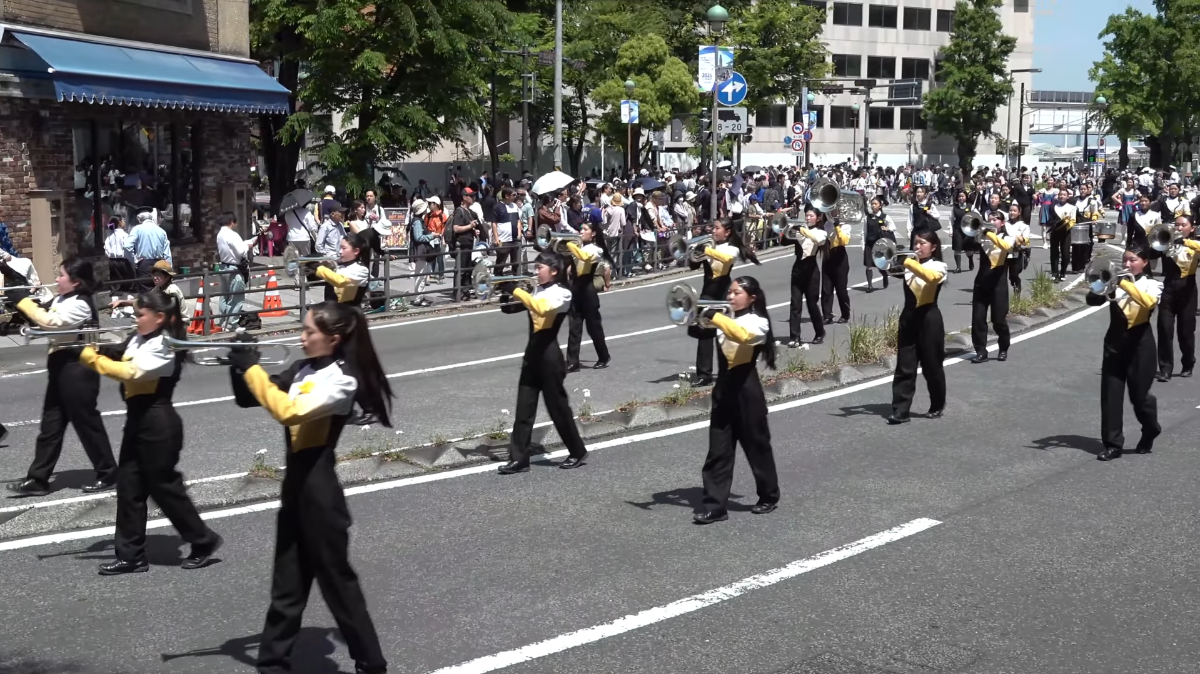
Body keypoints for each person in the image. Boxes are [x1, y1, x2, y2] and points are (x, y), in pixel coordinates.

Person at [227, 301, 391, 674]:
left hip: (320, 497)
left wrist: (251, 367)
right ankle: (273, 663)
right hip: (295, 492)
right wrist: (237, 364)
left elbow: (288, 412)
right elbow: (249, 396)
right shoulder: (303, 368)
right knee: (286, 587)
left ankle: (372, 663)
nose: (301, 338)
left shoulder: (342, 380)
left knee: (339, 587)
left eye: (309, 332)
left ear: (333, 339)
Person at [80, 289, 223, 575]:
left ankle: (203, 540)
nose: (135, 318)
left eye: (140, 314)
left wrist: (91, 358)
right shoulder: (140, 337)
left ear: (158, 317)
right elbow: (120, 352)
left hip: (158, 424)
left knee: (164, 488)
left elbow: (131, 371)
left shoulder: (164, 345)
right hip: (137, 420)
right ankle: (131, 555)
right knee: (129, 487)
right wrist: (92, 345)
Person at [7, 259, 118, 496]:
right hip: (61, 366)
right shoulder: (63, 299)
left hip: (79, 368)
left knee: (87, 424)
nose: (57, 279)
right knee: (51, 426)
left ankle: (108, 473)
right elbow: (43, 314)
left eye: (61, 275)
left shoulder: (81, 304)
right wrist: (22, 294)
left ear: (75, 282)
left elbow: (51, 322)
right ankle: (38, 479)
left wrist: (23, 301)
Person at [692, 276, 780, 524]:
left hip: (747, 392)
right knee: (718, 451)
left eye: (737, 293)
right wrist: (694, 316)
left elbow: (741, 335)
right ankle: (715, 506)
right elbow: (697, 333)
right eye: (729, 292)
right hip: (724, 391)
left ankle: (768, 495)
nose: (730, 297)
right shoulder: (724, 319)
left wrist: (714, 316)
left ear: (752, 298)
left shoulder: (758, 322)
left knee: (757, 447)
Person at [497, 252, 590, 474]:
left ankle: (577, 450)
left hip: (550, 359)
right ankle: (519, 459)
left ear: (554, 271)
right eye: (536, 267)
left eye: (540, 268)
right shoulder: (537, 290)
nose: (536, 271)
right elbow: (512, 308)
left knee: (558, 409)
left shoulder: (562, 294)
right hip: (532, 356)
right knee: (523, 410)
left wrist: (514, 289)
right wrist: (503, 293)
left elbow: (540, 308)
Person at [1086, 246, 1161, 461]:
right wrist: (1100, 284)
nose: (1127, 264)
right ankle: (1113, 445)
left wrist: (1124, 284)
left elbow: (1148, 303)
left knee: (1140, 397)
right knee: (1110, 396)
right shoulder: (1114, 283)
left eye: (1133, 260)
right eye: (1125, 260)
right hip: (1114, 345)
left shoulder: (1153, 284)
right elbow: (1092, 300)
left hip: (1141, 346)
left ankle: (1151, 428)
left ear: (1144, 262)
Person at [887, 230, 948, 424]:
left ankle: (937, 404)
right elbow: (888, 269)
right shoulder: (909, 264)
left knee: (932, 366)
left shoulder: (939, 266)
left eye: (922, 243)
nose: (917, 247)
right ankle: (900, 411)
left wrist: (907, 262)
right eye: (915, 243)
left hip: (929, 320)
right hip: (908, 318)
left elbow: (930, 277)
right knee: (904, 366)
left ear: (933, 247)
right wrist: (888, 259)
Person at [690, 218, 760, 385]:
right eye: (713, 228)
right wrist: (694, 254)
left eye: (717, 228)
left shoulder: (732, 248)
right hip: (707, 292)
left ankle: (730, 370)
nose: (713, 231)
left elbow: (726, 259)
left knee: (724, 334)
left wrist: (706, 250)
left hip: (723, 294)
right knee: (704, 333)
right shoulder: (710, 246)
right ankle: (704, 375)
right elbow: (693, 266)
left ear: (727, 232)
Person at [564, 222, 613, 372]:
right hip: (576, 290)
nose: (581, 232)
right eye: (581, 229)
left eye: (585, 229)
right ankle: (572, 362)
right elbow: (571, 269)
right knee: (574, 328)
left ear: (593, 234)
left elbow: (584, 257)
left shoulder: (596, 249)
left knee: (594, 328)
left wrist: (570, 246)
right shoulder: (579, 247)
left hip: (588, 292)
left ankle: (604, 356)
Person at [1156, 215, 1200, 381]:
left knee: (1186, 331)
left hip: (1188, 290)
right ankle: (1165, 369)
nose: (1179, 228)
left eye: (1183, 225)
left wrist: (1185, 242)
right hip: (1169, 288)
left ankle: (1188, 363)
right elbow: (1151, 252)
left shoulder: (1194, 245)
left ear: (1192, 228)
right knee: (1164, 329)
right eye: (1177, 225)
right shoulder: (1167, 242)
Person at [969, 212, 1014, 363]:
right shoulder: (982, 238)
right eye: (989, 219)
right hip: (981, 282)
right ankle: (981, 351)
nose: (992, 221)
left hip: (998, 283)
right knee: (978, 319)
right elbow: (967, 245)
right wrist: (974, 233)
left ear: (1002, 223)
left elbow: (1006, 247)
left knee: (998, 320)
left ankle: (1003, 347)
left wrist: (988, 233)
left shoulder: (1007, 237)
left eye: (995, 219)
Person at [785, 207, 828, 348]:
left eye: (811, 216)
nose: (808, 218)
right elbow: (785, 241)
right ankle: (794, 336)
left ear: (818, 218)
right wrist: (784, 229)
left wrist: (803, 231)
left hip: (811, 270)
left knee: (812, 304)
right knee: (795, 304)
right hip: (798, 268)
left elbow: (818, 240)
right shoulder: (799, 230)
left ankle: (820, 332)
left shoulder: (821, 232)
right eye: (806, 215)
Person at [215, 212, 260, 332]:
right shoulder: (232, 235)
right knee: (236, 297)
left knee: (225, 296)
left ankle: (222, 322)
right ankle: (232, 324)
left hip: (224, 267)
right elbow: (241, 251)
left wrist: (246, 243)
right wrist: (249, 245)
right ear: (232, 222)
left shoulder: (220, 234)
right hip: (235, 269)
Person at [111, 260, 192, 319]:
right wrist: (122, 302)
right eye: (154, 275)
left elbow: (170, 315)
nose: (155, 278)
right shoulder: (158, 288)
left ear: (167, 277)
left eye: (159, 275)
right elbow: (146, 300)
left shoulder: (172, 291)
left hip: (177, 327)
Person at [314, 232, 370, 306]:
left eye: (344, 248)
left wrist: (318, 268)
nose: (340, 251)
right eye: (340, 248)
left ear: (356, 251)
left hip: (349, 311)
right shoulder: (340, 265)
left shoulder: (361, 269)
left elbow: (340, 281)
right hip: (332, 309)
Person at [820, 212, 852, 325]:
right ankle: (827, 315)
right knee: (826, 289)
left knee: (841, 289)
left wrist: (837, 226)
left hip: (840, 256)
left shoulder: (846, 226)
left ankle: (845, 314)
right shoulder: (827, 224)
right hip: (828, 255)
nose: (833, 213)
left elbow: (844, 241)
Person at [862, 197, 896, 292]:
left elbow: (893, 227)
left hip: (880, 245)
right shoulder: (867, 218)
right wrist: (863, 245)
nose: (873, 206)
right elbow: (864, 232)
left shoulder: (885, 217)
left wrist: (887, 228)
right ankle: (870, 286)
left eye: (875, 204)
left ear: (880, 206)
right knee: (868, 266)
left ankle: (885, 275)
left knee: (879, 265)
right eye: (872, 204)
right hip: (869, 244)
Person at [1044, 188, 1077, 282]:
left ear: (1067, 197)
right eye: (1060, 195)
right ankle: (1054, 274)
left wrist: (1066, 225)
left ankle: (1063, 272)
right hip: (1055, 232)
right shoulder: (1053, 206)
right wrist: (1054, 224)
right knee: (1054, 253)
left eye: (1064, 195)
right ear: (1058, 196)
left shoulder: (1072, 207)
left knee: (1065, 253)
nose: (1062, 196)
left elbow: (1073, 220)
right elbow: (1049, 220)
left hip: (1066, 232)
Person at [1005, 202, 1032, 295]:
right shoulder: (1004, 224)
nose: (1012, 212)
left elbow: (1026, 241)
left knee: (1013, 275)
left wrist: (1021, 239)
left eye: (1014, 211)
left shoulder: (1024, 226)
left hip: (1017, 253)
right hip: (1004, 253)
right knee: (1002, 276)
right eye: (1010, 210)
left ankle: (1017, 291)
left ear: (1019, 213)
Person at [950, 190, 977, 274]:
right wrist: (950, 229)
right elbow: (951, 219)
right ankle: (958, 267)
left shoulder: (971, 206)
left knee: (968, 250)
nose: (961, 198)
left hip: (968, 230)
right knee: (957, 249)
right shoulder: (954, 207)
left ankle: (970, 259)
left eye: (963, 196)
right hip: (957, 229)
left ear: (966, 197)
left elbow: (977, 216)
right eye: (959, 196)